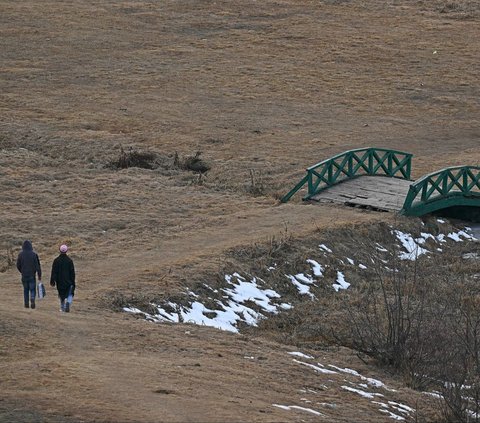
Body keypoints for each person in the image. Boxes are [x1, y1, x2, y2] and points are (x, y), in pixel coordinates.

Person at [16, 240, 42, 309]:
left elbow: (18, 265)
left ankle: (26, 304)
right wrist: (39, 275)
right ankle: (32, 298)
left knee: (26, 290)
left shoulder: (20, 254)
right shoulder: (34, 254)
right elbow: (37, 266)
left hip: (24, 275)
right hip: (32, 275)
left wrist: (21, 271)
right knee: (32, 289)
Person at [50, 244, 76, 312]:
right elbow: (72, 273)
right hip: (68, 281)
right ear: (66, 250)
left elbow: (53, 272)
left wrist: (52, 281)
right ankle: (68, 303)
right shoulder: (69, 261)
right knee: (70, 293)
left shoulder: (56, 260)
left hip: (59, 282)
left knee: (61, 295)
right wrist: (73, 282)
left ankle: (62, 308)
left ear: (59, 250)